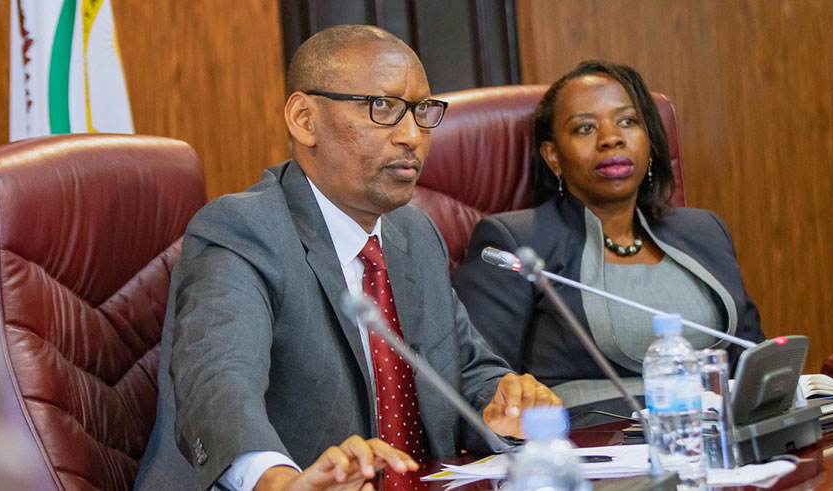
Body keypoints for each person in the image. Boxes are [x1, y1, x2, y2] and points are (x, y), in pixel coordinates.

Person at [135, 25, 560, 491]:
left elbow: (464, 367)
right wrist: (278, 482)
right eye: (383, 108)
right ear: (304, 119)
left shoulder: (414, 234)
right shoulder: (243, 229)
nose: (411, 136)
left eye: (422, 112)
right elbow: (217, 385)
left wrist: (501, 404)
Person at [452, 60, 765, 422]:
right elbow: (481, 384)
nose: (611, 138)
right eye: (585, 128)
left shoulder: (705, 230)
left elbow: (752, 359)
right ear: (553, 156)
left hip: (723, 439)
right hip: (596, 450)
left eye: (628, 122)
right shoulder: (516, 243)